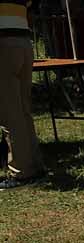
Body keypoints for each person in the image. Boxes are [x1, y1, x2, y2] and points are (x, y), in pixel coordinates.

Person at [0, 0, 46, 189]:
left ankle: (21, 171)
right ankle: (35, 166)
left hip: (3, 42)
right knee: (23, 110)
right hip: (23, 42)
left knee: (10, 113)